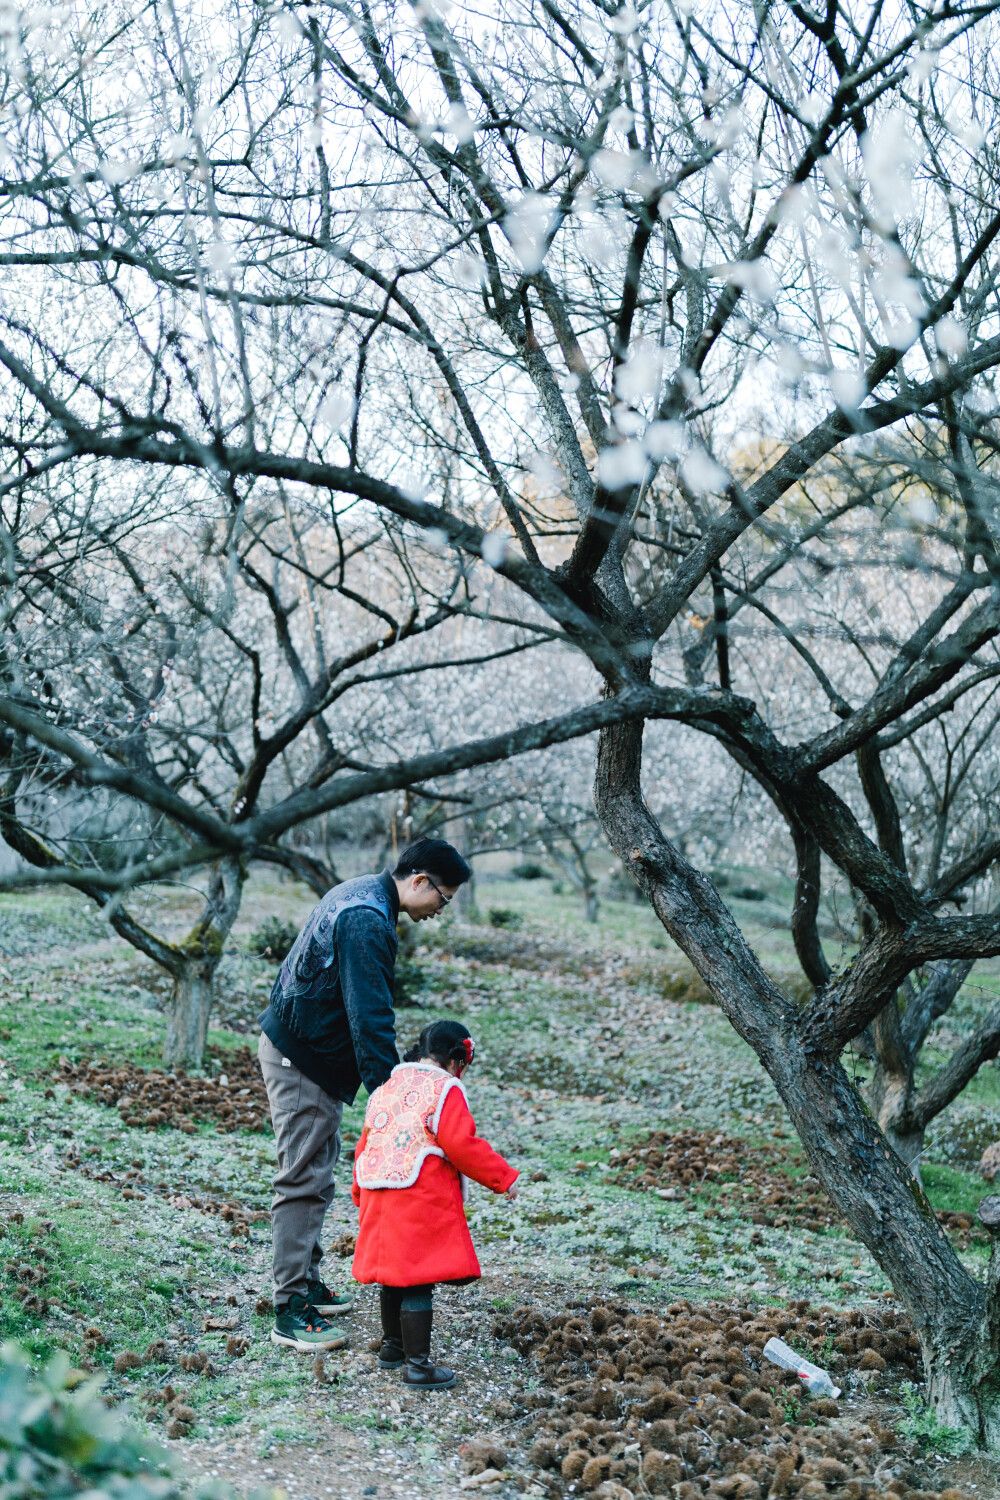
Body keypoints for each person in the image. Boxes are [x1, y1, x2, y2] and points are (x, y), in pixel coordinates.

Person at [257, 838, 471, 1351]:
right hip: (303, 1057)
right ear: (419, 881)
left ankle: (306, 1282)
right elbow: (370, 1016)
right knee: (302, 1179)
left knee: (316, 1173)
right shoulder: (367, 920)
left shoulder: (364, 893)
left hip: (309, 1051)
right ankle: (289, 1307)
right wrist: (395, 1101)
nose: (439, 911)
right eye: (442, 899)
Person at [351, 1019, 519, 1389]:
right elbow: (462, 1145)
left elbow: (366, 1143)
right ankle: (418, 1366)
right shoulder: (444, 1089)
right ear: (456, 1058)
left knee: (393, 1275)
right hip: (417, 1195)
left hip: (379, 1188)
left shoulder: (388, 1086)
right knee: (417, 1279)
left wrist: (358, 1191)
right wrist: (502, 1177)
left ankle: (393, 1348)